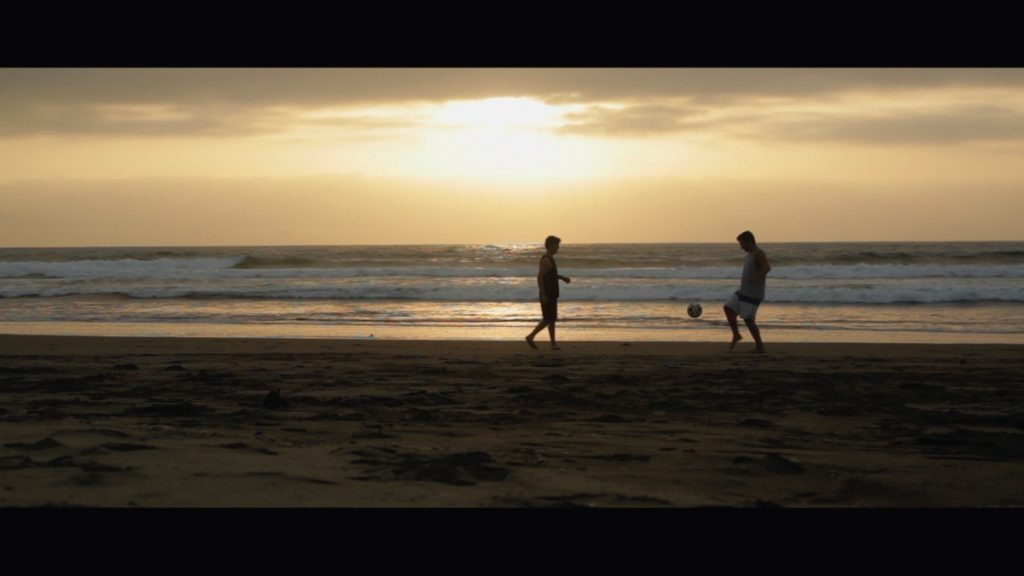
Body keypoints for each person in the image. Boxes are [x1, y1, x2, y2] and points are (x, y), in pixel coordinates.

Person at [724, 230, 771, 353]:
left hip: (753, 294)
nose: (741, 247)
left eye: (742, 244)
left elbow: (767, 267)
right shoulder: (750, 254)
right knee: (728, 308)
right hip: (743, 291)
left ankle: (760, 346)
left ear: (749, 242)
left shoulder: (759, 253)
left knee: (748, 320)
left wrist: (757, 277)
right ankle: (736, 334)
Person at [526, 235, 571, 350]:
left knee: (552, 319)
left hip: (552, 293)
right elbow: (540, 277)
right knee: (548, 319)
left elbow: (551, 275)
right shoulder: (545, 260)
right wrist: (543, 294)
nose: (558, 248)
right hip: (547, 293)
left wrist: (562, 278)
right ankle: (531, 336)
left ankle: (553, 343)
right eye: (557, 245)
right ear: (551, 246)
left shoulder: (550, 259)